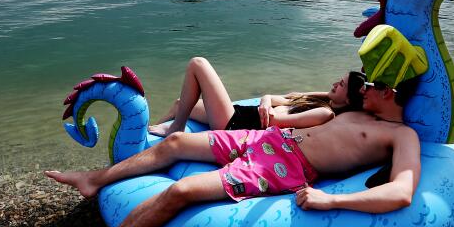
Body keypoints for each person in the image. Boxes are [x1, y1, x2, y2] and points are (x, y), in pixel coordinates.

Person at [42, 70, 422, 227]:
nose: (363, 88)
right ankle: (94, 178)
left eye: (371, 86)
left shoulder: (400, 135)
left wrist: (333, 200)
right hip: (268, 138)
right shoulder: (361, 112)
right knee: (174, 140)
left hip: (284, 167)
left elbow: (402, 192)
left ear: (389, 94)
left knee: (183, 189)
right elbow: (320, 96)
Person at [148, 57, 347, 136]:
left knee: (197, 64)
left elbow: (276, 122)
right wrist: (266, 101)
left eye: (341, 84)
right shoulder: (316, 103)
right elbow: (281, 97)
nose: (334, 84)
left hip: (235, 123)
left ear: (348, 100)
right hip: (239, 114)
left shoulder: (324, 113)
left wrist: (267, 107)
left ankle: (176, 128)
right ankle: (146, 143)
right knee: (180, 104)